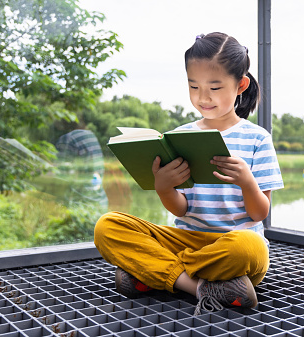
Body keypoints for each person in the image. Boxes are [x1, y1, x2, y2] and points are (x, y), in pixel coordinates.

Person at [94, 32, 283, 314]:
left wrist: (247, 182)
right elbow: (181, 211)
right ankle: (199, 287)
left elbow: (259, 214)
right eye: (193, 86)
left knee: (249, 248)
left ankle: (154, 271)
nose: (202, 98)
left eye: (215, 88)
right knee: (107, 227)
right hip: (186, 238)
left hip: (233, 245)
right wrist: (164, 188)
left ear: (240, 85)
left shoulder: (257, 139)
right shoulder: (179, 137)